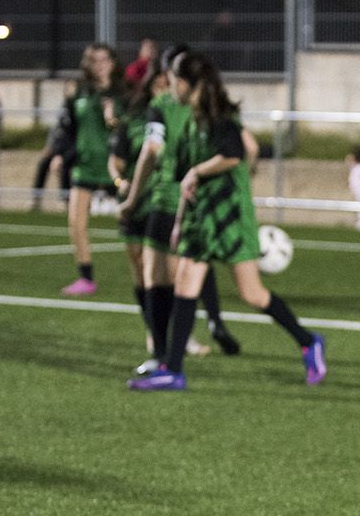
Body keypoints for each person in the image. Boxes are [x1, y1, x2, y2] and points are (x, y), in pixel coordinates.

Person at [129, 50, 323, 392]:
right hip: (199, 217)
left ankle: (308, 342)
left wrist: (197, 171)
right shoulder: (189, 125)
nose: (169, 87)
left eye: (173, 80)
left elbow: (233, 156)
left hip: (229, 216)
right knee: (185, 285)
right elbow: (185, 179)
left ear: (187, 83)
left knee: (252, 294)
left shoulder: (220, 119)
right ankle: (173, 370)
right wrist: (179, 221)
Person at [58, 44, 126, 296]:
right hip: (84, 165)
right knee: (76, 223)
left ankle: (152, 278)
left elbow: (128, 130)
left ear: (112, 62)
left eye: (104, 60)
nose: (99, 65)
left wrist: (112, 118)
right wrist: (61, 154)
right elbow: (68, 127)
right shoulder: (79, 91)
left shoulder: (122, 92)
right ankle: (86, 278)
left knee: (134, 226)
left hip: (114, 167)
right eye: (94, 60)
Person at [30, 81, 77, 213]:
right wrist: (50, 147)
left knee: (64, 166)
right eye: (68, 89)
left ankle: (66, 200)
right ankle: (36, 198)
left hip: (75, 148)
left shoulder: (79, 109)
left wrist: (61, 156)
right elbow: (56, 130)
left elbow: (76, 135)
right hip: (61, 148)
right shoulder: (64, 108)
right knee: (44, 163)